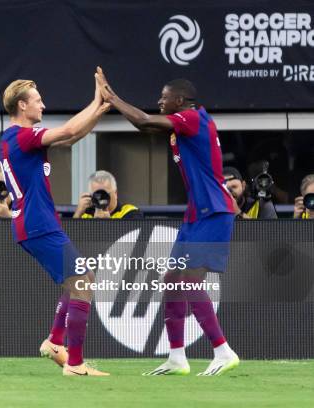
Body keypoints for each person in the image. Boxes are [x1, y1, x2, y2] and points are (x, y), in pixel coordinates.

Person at [96, 68, 240, 376]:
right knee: (173, 281)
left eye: (164, 98)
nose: (159, 102)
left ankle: (223, 351)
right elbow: (146, 125)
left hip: (213, 212)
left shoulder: (193, 118)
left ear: (181, 100)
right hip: (196, 213)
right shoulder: (182, 124)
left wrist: (113, 98)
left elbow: (144, 122)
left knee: (189, 281)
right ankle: (177, 357)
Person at [0, 72, 111, 376]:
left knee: (80, 279)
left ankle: (55, 343)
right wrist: (96, 99)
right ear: (22, 105)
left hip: (36, 223)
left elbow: (72, 136)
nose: (43, 105)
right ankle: (74, 364)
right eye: (38, 101)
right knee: (83, 284)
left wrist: (97, 111)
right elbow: (69, 129)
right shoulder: (22, 137)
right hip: (38, 224)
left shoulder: (17, 139)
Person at [73, 170, 143, 219]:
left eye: (105, 194)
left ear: (115, 193)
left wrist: (107, 223)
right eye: (98, 194)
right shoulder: (85, 214)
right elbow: (69, 238)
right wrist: (77, 214)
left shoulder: (130, 213)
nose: (101, 199)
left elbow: (131, 238)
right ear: (91, 196)